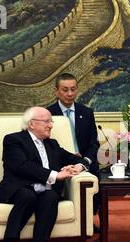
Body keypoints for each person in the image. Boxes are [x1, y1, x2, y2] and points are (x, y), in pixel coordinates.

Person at [0, 107, 89, 242]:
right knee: (28, 196)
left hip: (44, 191)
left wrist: (78, 167)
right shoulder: (14, 140)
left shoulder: (52, 145)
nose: (51, 125)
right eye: (47, 121)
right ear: (32, 124)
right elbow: (22, 167)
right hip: (18, 188)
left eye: (51, 121)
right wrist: (56, 175)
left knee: (50, 197)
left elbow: (75, 158)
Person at [47, 73, 100, 220]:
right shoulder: (47, 113)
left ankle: (88, 220)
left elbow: (93, 144)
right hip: (58, 161)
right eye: (65, 90)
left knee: (95, 171)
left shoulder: (86, 112)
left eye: (73, 89)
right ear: (56, 91)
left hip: (83, 160)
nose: (70, 94)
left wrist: (85, 160)